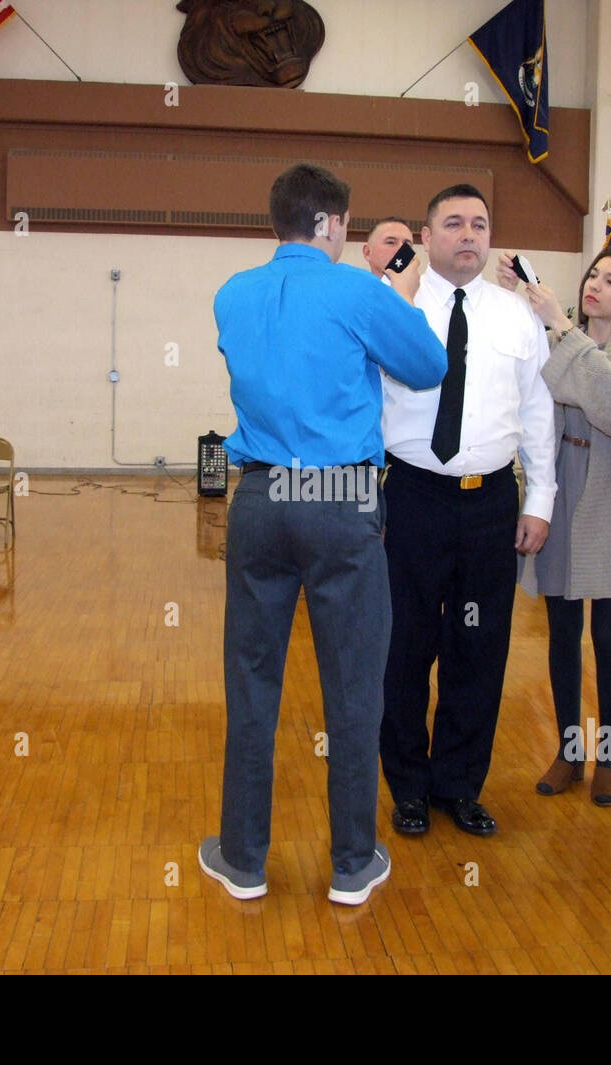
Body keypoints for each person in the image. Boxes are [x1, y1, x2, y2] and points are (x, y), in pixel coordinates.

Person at [199, 163, 446, 906]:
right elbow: (427, 366)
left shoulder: (232, 293)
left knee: (252, 682)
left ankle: (241, 859)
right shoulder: (356, 289)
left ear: (278, 220)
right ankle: (351, 862)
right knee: (352, 684)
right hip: (338, 497)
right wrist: (395, 298)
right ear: (334, 224)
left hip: (263, 495)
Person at [380, 184, 556, 838]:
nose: (468, 235)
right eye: (452, 223)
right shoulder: (395, 307)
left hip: (491, 505)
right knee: (405, 649)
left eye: (480, 224)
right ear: (424, 238)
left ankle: (459, 785)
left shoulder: (517, 317)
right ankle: (408, 788)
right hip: (412, 498)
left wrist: (540, 498)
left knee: (478, 651)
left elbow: (538, 412)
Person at [499, 246, 611, 807]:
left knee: (608, 637)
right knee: (562, 632)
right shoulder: (553, 332)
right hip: (560, 485)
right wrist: (524, 302)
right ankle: (571, 750)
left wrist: (563, 328)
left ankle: (609, 755)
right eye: (593, 274)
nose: (596, 285)